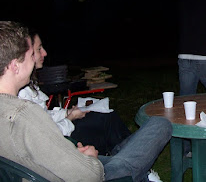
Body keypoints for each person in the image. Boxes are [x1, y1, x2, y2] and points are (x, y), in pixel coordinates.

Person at [0, 21, 172, 182]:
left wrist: (75, 155)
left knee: (120, 147)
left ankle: (132, 165)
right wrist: (89, 159)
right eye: (31, 54)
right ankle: (140, 171)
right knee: (160, 124)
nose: (37, 57)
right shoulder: (25, 116)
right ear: (15, 66)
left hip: (59, 167)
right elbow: (89, 174)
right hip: (91, 176)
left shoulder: (7, 110)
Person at [18, 31, 131, 156]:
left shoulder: (28, 84)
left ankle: (126, 156)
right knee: (104, 120)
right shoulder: (20, 93)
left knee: (106, 115)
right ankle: (128, 159)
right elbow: (47, 135)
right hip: (61, 143)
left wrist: (67, 113)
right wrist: (71, 118)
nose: (44, 53)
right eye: (39, 49)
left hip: (61, 131)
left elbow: (45, 116)